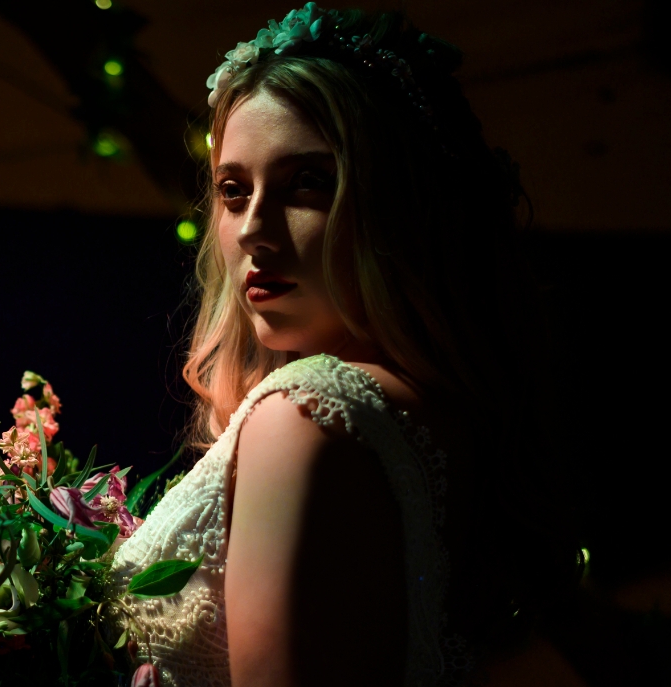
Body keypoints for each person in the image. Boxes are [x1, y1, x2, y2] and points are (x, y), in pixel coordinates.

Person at [109, 5, 576, 686]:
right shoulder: (455, 417)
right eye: (233, 191)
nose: (255, 230)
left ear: (397, 201)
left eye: (308, 183)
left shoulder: (305, 415)